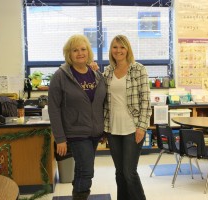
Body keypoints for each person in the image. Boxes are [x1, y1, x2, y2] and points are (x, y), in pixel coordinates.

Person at [48, 34, 106, 200]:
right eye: (75, 50)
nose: (80, 53)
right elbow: (53, 108)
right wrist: (59, 138)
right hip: (75, 132)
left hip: (94, 132)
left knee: (82, 169)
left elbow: (100, 104)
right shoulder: (60, 76)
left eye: (83, 49)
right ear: (69, 54)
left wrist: (102, 129)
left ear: (88, 52)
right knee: (86, 170)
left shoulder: (96, 74)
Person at [103, 35, 152, 200]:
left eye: (122, 47)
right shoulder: (108, 71)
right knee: (119, 172)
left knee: (129, 172)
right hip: (113, 127)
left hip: (133, 127)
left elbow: (146, 100)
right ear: (111, 50)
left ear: (127, 49)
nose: (118, 50)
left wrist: (142, 127)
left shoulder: (138, 69)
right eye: (115, 47)